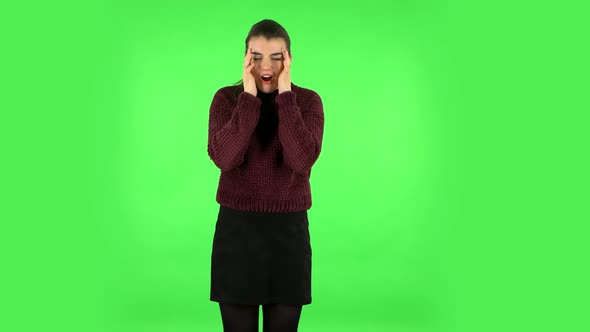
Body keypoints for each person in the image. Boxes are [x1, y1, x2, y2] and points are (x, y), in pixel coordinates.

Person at [207, 19, 325, 332]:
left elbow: (301, 161)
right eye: (256, 56)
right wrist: (248, 98)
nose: (266, 66)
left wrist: (286, 96)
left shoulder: (308, 102)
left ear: (289, 59)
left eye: (276, 57)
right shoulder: (226, 100)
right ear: (246, 58)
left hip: (288, 237)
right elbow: (225, 157)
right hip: (237, 235)